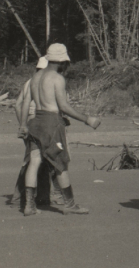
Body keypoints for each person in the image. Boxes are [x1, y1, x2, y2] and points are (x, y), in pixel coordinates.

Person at [22, 42, 101, 215]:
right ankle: (70, 204)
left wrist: (22, 124)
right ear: (62, 61)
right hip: (51, 123)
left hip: (36, 121)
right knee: (60, 165)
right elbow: (64, 107)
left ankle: (29, 205)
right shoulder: (57, 78)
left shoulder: (35, 77)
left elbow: (28, 102)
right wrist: (87, 119)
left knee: (34, 163)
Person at [14, 57, 54, 214]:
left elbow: (18, 104)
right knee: (48, 161)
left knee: (31, 160)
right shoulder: (51, 82)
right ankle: (41, 198)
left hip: (30, 124)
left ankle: (22, 200)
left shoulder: (30, 82)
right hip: (46, 122)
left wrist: (23, 124)